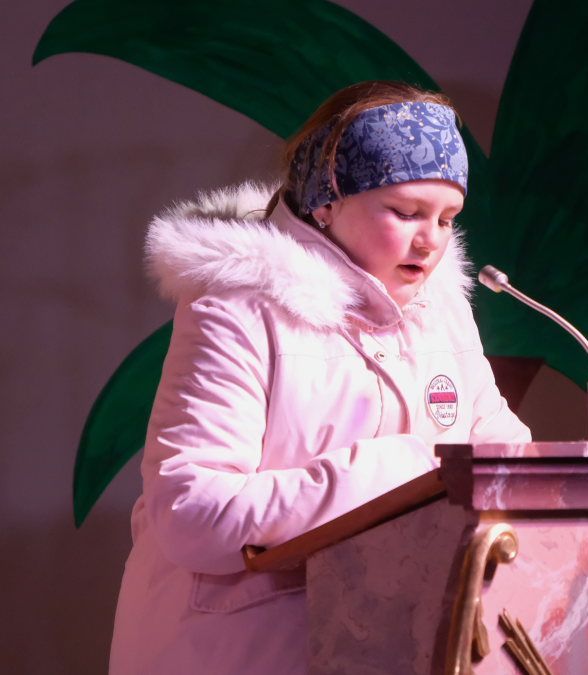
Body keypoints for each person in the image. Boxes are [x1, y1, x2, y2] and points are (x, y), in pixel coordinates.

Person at [109, 80, 530, 674]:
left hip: (398, 647)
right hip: (248, 653)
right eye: (406, 212)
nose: (430, 240)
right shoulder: (236, 308)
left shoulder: (444, 311)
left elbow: (499, 451)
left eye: (447, 217)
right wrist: (389, 473)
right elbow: (189, 509)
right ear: (326, 201)